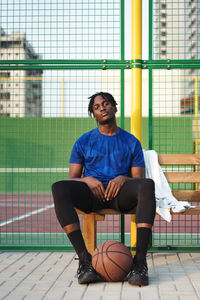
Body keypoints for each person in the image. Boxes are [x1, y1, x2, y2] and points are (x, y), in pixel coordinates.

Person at [52, 92, 156, 286]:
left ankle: (140, 263)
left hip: (120, 196)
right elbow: (73, 178)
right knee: (59, 187)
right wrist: (87, 180)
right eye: (97, 107)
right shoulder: (83, 141)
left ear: (114, 107)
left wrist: (123, 178)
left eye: (106, 104)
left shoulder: (131, 141)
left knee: (147, 185)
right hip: (92, 196)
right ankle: (85, 261)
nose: (102, 108)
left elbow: (138, 179)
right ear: (94, 115)